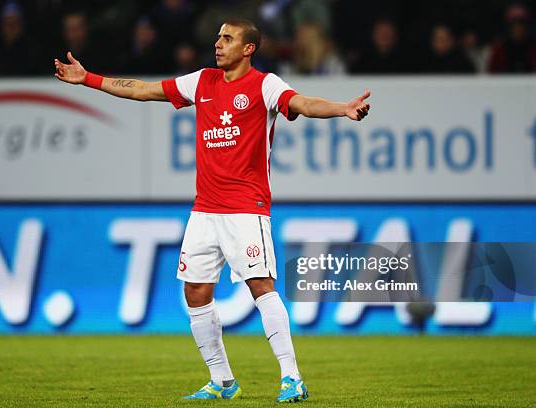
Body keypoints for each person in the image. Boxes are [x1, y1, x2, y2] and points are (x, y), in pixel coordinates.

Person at [54, 18, 370, 403]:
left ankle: (292, 377)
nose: (218, 44)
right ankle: (222, 381)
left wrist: (342, 109)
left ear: (248, 48)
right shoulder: (201, 81)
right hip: (204, 210)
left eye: (227, 38)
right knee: (196, 292)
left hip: (246, 209)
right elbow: (143, 90)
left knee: (261, 286)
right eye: (218, 37)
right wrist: (88, 78)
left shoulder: (264, 85)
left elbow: (302, 103)